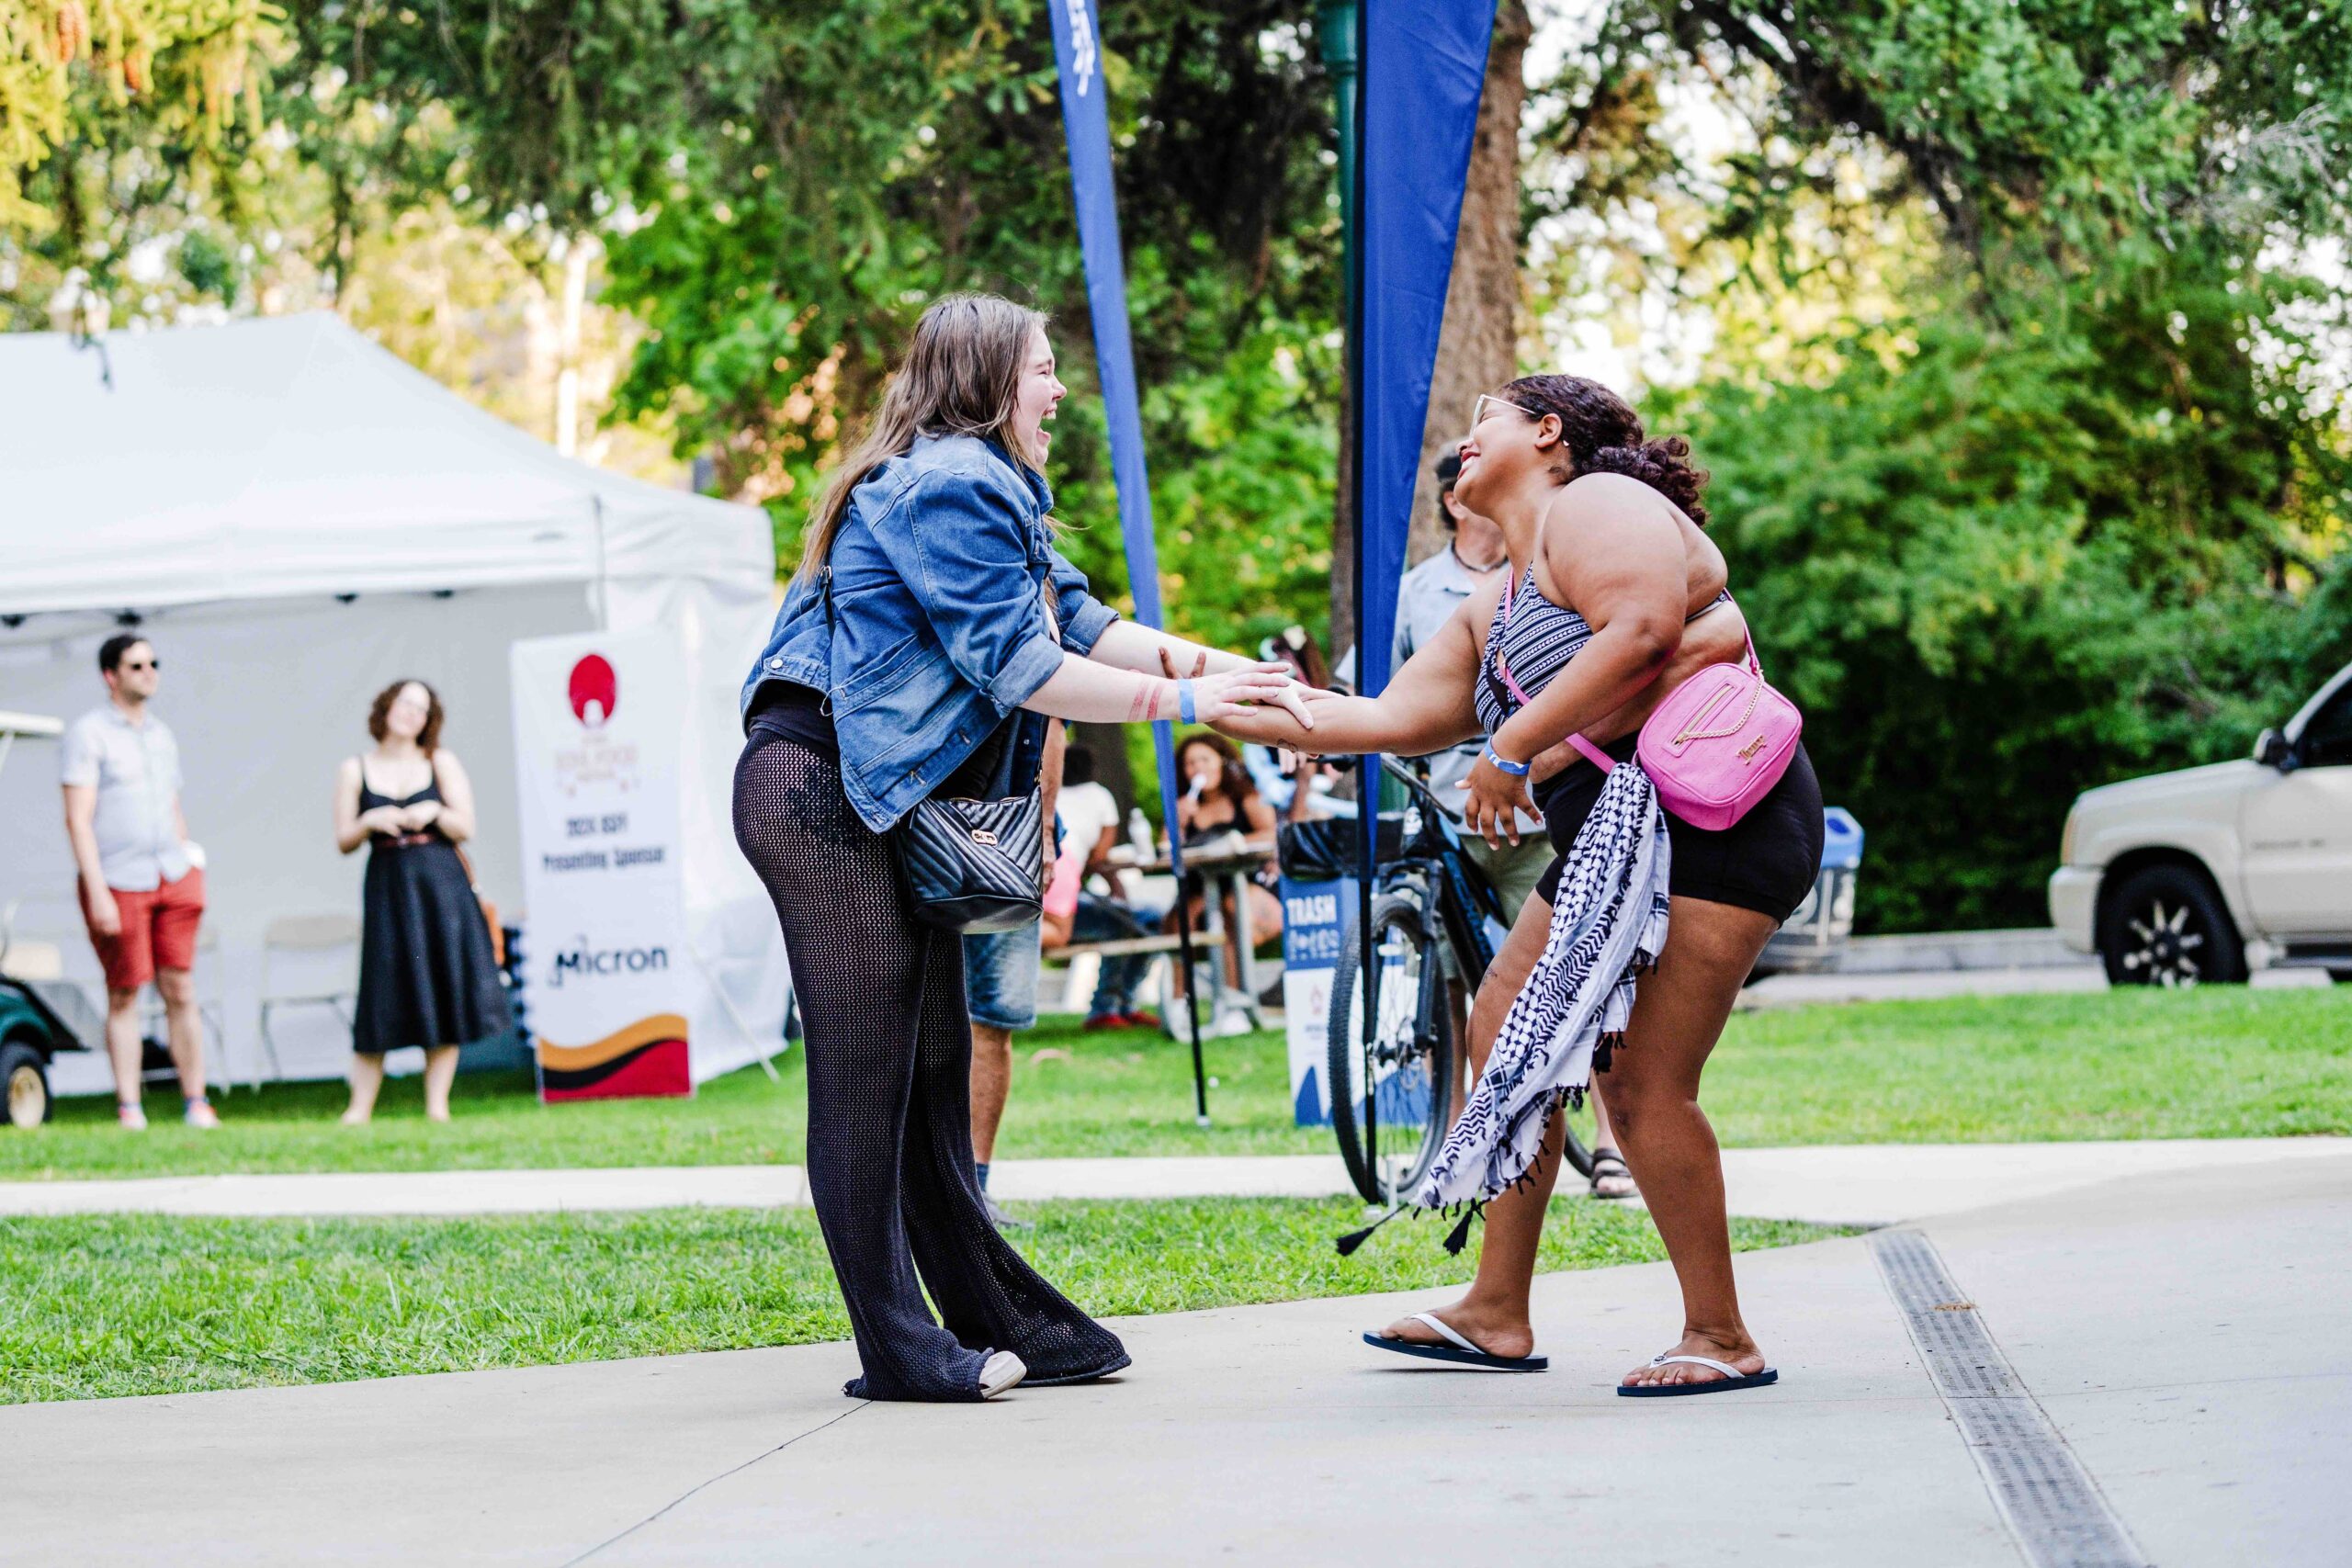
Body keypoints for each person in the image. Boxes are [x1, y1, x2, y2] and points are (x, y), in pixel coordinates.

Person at [731, 292, 1314, 1404]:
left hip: (868, 795)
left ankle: (1000, 1318)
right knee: (866, 1082)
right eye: (1044, 368)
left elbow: (1081, 625)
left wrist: (1231, 674)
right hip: (818, 793)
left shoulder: (983, 484)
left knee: (937, 1064)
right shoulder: (954, 480)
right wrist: (1187, 702)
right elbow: (1021, 664)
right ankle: (898, 1352)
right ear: (993, 376)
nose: (1057, 389)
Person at [1216, 375, 1820, 1393]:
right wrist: (1201, 689)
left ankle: (1719, 1335)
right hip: (1616, 838)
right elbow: (1376, 719)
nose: (1461, 444)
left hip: (1713, 822)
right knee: (1505, 1034)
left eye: (1480, 422)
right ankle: (1495, 1311)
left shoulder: (1598, 505)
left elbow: (1641, 632)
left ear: (1546, 434)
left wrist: (1509, 748)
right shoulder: (1494, 610)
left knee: (1638, 1083)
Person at [1349, 452, 1638, 1199]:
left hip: (1532, 815)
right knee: (1445, 979)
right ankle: (1450, 1145)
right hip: (1444, 806)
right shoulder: (1417, 591)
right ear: (1455, 502)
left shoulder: (1554, 566)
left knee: (1575, 977)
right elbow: (1372, 688)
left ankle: (1614, 1140)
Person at [332, 680, 512, 1124]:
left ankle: (437, 1105)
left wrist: (433, 813)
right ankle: (360, 1108)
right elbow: (343, 840)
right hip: (389, 884)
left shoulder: (440, 762)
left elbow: (465, 825)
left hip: (439, 884)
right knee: (382, 987)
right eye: (405, 702)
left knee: (441, 980)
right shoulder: (355, 768)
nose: (412, 712)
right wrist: (371, 819)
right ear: (387, 705)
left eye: (422, 708)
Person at [60, 634, 218, 1130]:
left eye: (153, 663)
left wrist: (191, 859)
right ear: (112, 675)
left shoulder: (161, 735)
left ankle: (196, 1100)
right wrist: (98, 889)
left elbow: (172, 805)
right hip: (119, 878)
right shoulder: (89, 733)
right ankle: (130, 1105)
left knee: (181, 987)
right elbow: (78, 818)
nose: (149, 671)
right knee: (126, 992)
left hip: (173, 872)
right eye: (136, 665)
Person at [965, 725, 1062, 1232]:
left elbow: (1053, 722)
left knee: (993, 1014)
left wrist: (1043, 831)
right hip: (912, 821)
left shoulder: (1040, 641)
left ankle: (975, 1190)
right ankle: (902, 1192)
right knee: (899, 1018)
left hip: (1009, 830)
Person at [1161, 732, 1283, 1029]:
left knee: (1228, 915)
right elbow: (1165, 850)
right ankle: (1180, 1001)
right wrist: (1177, 822)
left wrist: (1234, 840)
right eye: (1190, 763)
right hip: (1200, 885)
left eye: (1204, 759)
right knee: (1178, 920)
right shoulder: (1184, 807)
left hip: (1246, 881)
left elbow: (1272, 835)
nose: (1197, 768)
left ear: (1222, 763)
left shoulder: (1246, 798)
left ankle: (1234, 1003)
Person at [1039, 744, 1159, 1032]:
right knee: (1143, 920)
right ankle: (1112, 1006)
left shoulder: (1044, 795)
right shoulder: (1099, 796)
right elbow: (1099, 857)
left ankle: (1112, 1007)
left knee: (1124, 922)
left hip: (1035, 878)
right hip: (1061, 875)